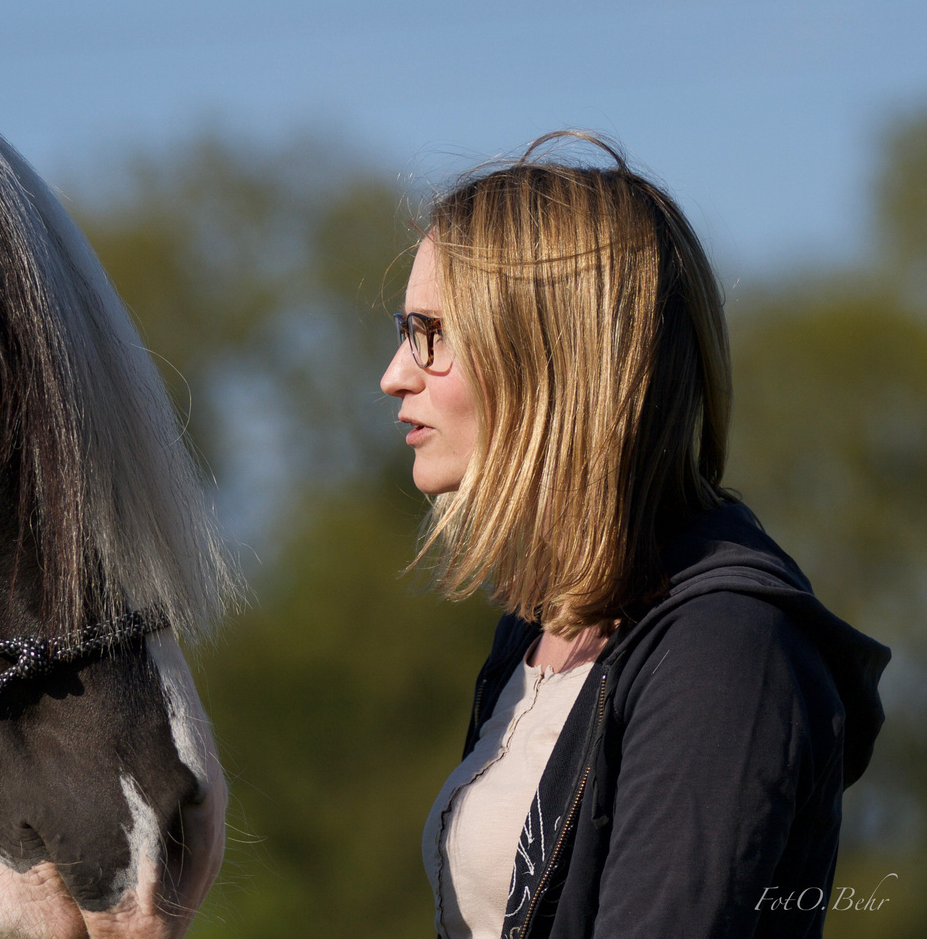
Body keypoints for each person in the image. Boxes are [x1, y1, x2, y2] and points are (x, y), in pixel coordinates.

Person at [379, 132, 891, 939]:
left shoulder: (724, 653)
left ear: (550, 354)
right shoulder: (532, 633)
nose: (396, 372)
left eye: (431, 333)